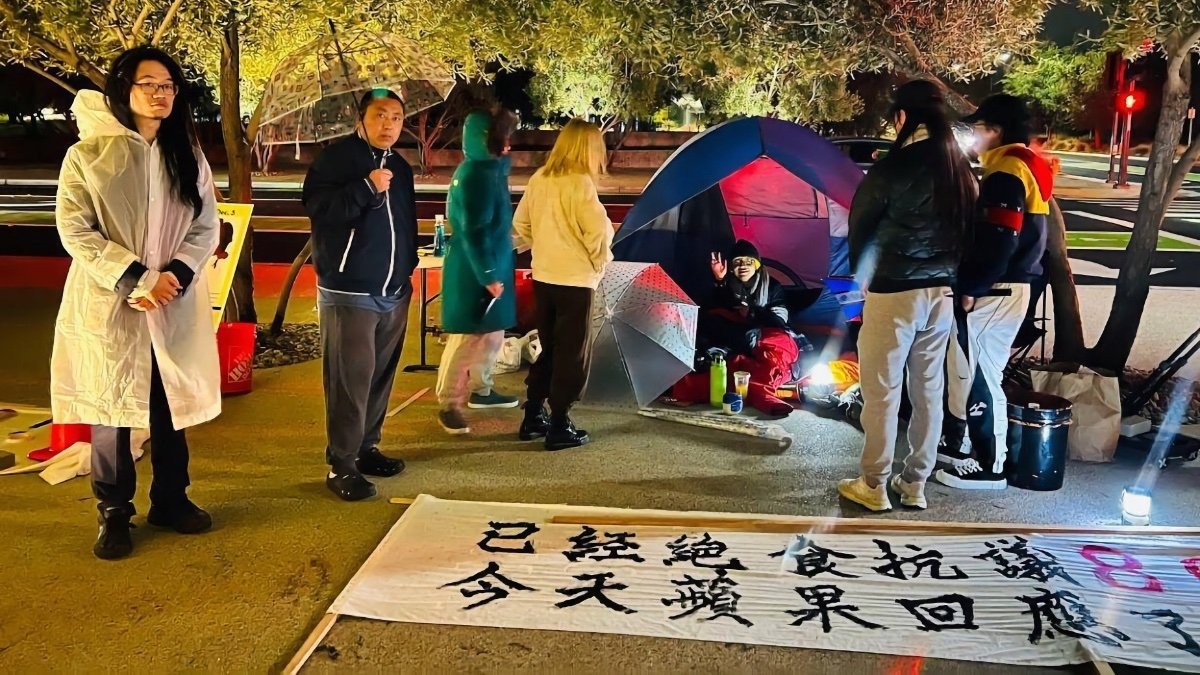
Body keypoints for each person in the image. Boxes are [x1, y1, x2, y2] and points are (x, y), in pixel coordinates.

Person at [52, 46, 221, 559]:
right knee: (112, 408)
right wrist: (136, 278)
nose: (159, 93)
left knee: (170, 402)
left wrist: (175, 275)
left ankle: (171, 498)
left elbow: (206, 223)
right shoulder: (89, 156)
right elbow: (75, 230)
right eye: (148, 83)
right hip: (112, 303)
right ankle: (113, 511)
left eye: (167, 84)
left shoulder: (186, 154)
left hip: (171, 300)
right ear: (123, 89)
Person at [836, 80, 978, 512]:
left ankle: (873, 482)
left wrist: (860, 274)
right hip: (941, 293)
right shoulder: (960, 169)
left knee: (881, 390)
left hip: (895, 291)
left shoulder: (894, 167)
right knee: (928, 389)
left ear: (903, 117)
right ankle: (914, 482)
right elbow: (971, 232)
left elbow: (862, 225)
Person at [303, 89, 417, 501]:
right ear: (361, 118)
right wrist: (366, 188)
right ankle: (342, 464)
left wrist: (407, 268)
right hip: (349, 289)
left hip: (394, 290)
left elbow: (405, 221)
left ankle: (367, 447)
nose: (389, 124)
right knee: (350, 379)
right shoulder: (337, 161)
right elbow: (319, 208)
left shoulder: (400, 167)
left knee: (379, 375)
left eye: (396, 117)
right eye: (380, 115)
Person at [935, 95, 1052, 490]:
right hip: (1004, 288)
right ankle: (966, 447)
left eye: (978, 128)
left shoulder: (1007, 171)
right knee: (970, 370)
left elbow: (1000, 238)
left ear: (996, 130)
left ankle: (990, 463)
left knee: (982, 376)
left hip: (997, 291)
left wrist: (972, 287)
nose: (974, 136)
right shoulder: (1020, 167)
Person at [512, 119, 613, 450]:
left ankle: (533, 414)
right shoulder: (580, 183)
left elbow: (521, 223)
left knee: (551, 347)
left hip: (544, 276)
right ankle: (559, 423)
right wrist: (599, 263)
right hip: (575, 280)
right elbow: (598, 232)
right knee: (573, 353)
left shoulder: (540, 178)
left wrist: (543, 246)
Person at [436, 109, 520, 433]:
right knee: (467, 337)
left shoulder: (488, 171)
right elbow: (474, 230)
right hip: (477, 268)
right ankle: (449, 403)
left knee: (491, 332)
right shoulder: (477, 175)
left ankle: (481, 388)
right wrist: (487, 274)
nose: (508, 144)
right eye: (501, 138)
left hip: (489, 264)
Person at [670, 239, 798, 416]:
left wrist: (753, 312)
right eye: (737, 262)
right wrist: (720, 281)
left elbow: (779, 320)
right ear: (731, 267)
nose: (743, 266)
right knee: (718, 355)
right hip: (735, 336)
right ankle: (689, 391)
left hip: (761, 334)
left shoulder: (772, 287)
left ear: (757, 265)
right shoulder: (727, 284)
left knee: (779, 348)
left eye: (748, 262)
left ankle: (761, 392)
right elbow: (715, 310)